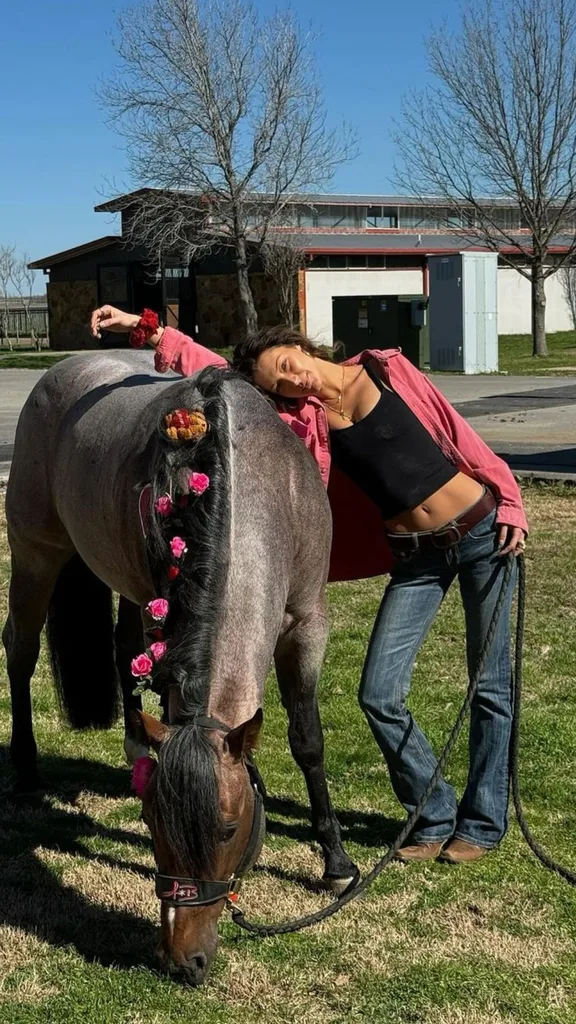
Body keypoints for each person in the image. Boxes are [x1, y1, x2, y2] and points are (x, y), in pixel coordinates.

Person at [90, 306, 528, 864]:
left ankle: (484, 824)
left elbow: (458, 435)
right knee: (379, 694)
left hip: (483, 531)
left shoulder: (387, 369)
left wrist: (509, 498)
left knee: (490, 687)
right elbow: (218, 370)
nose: (295, 378)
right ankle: (433, 810)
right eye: (281, 382)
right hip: (416, 559)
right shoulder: (307, 422)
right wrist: (147, 330)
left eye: (289, 363)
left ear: (301, 345)